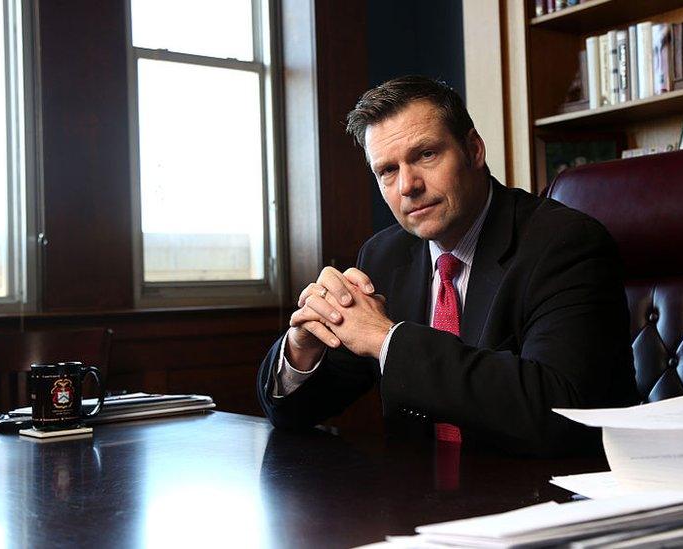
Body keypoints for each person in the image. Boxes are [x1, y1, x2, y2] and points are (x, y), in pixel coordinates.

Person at [256, 75, 639, 456]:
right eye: (387, 170)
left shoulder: (564, 243)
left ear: (473, 150)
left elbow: (560, 411)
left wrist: (386, 340)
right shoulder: (383, 257)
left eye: (425, 154)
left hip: (550, 496)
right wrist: (302, 349)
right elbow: (294, 413)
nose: (407, 185)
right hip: (421, 502)